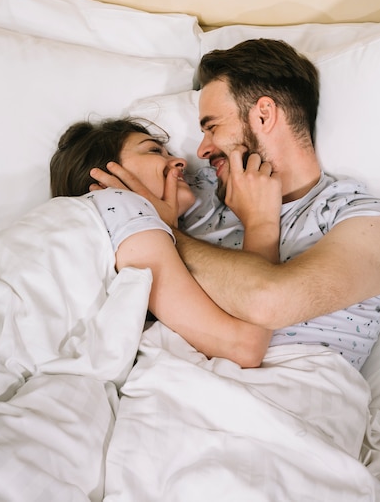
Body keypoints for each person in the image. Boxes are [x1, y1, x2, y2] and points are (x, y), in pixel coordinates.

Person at [89, 39, 380, 371]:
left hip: (289, 402)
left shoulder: (360, 219)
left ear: (264, 115)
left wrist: (162, 229)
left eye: (212, 127)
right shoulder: (191, 195)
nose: (201, 151)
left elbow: (269, 302)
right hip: (169, 385)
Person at [50, 117, 281, 368]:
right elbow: (244, 347)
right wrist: (261, 222)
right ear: (106, 175)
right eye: (153, 150)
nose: (180, 162)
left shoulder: (121, 221)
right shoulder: (118, 205)